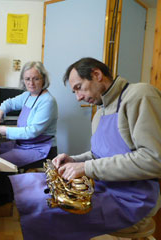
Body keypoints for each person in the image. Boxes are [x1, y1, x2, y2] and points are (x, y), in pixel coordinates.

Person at [9, 57, 161, 240]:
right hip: (104, 188)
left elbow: (153, 159)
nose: (78, 97)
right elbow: (99, 155)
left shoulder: (140, 95)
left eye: (79, 88)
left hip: (133, 199)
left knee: (43, 212)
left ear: (96, 75)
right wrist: (75, 160)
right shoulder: (101, 111)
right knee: (29, 194)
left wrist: (85, 168)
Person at [0, 61, 58, 205]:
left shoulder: (47, 101)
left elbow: (31, 132)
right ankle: (1, 193)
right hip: (24, 145)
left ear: (44, 79)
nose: (31, 83)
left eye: (36, 78)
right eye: (27, 79)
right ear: (23, 80)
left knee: (1, 161)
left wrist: (4, 130)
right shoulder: (28, 95)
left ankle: (5, 198)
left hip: (41, 149)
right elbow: (9, 103)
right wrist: (0, 111)